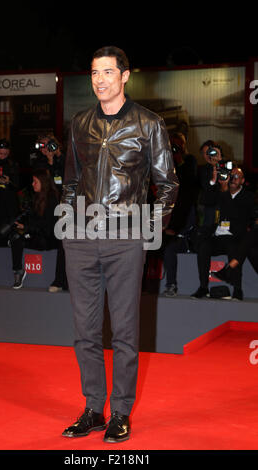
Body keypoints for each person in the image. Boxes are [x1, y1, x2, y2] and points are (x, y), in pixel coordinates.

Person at [60, 46, 179, 443]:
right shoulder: (79, 123)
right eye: (95, 73)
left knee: (125, 331)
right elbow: (71, 182)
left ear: (125, 76)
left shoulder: (149, 124)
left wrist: (148, 232)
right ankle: (94, 408)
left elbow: (168, 185)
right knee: (85, 331)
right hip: (81, 238)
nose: (100, 80)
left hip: (126, 239)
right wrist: (67, 226)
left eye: (108, 72)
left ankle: (121, 411)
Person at [191, 167, 255, 301]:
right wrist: (213, 182)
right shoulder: (221, 192)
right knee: (204, 246)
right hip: (219, 235)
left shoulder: (248, 196)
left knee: (233, 248)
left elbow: (236, 215)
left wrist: (225, 191)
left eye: (237, 176)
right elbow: (206, 200)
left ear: (242, 181)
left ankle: (237, 290)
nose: (232, 179)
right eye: (231, 176)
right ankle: (203, 287)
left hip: (235, 236)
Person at [10, 168, 68, 291]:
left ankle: (59, 282)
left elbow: (46, 224)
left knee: (20, 236)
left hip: (49, 238)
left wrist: (27, 228)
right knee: (15, 237)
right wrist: (24, 226)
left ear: (43, 182)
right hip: (37, 234)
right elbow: (34, 220)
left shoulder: (52, 199)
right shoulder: (36, 198)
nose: (32, 184)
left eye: (35, 181)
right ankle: (18, 271)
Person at [162, 132, 198, 296]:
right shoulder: (165, 164)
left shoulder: (189, 161)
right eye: (173, 144)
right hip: (165, 221)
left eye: (180, 144)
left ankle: (171, 285)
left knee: (169, 246)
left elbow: (188, 186)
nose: (176, 147)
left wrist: (175, 230)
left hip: (183, 232)